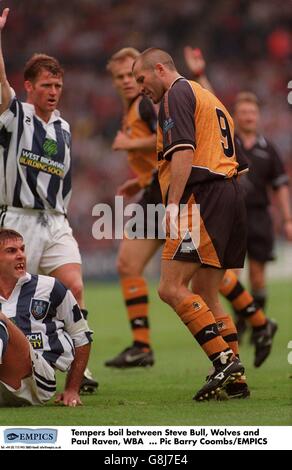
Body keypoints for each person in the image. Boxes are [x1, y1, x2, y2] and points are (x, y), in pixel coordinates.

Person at [133, 48, 248, 401]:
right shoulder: (207, 96)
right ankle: (237, 377)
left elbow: (183, 151)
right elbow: (239, 162)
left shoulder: (175, 94)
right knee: (207, 290)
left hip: (202, 199)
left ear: (159, 69)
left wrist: (172, 205)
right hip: (229, 195)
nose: (140, 88)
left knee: (170, 286)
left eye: (141, 79)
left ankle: (223, 360)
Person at [0, 7, 97, 392]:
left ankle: (78, 364)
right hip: (17, 218)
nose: (53, 92)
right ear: (29, 87)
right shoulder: (14, 116)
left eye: (58, 85)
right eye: (46, 85)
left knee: (73, 284)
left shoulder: (64, 127)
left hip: (55, 220)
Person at [184, 46, 292, 365]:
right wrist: (200, 74)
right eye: (242, 112)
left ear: (257, 117)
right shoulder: (225, 132)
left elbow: (280, 187)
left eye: (251, 113)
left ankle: (256, 321)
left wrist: (287, 218)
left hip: (256, 215)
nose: (246, 116)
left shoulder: (267, 150)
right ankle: (252, 322)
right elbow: (212, 101)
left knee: (256, 276)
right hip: (227, 211)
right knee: (226, 275)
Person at [105, 47, 163, 368]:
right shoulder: (131, 108)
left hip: (173, 190)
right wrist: (139, 182)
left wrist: (129, 144)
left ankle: (255, 318)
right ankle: (141, 346)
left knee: (198, 276)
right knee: (128, 264)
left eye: (131, 74)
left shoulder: (146, 103)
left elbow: (167, 139)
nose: (127, 81)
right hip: (154, 188)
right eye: (120, 77)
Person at [0, 228, 92, 407]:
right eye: (11, 251)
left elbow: (82, 336)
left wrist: (72, 389)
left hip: (37, 379)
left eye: (22, 249)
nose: (21, 256)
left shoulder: (50, 288)